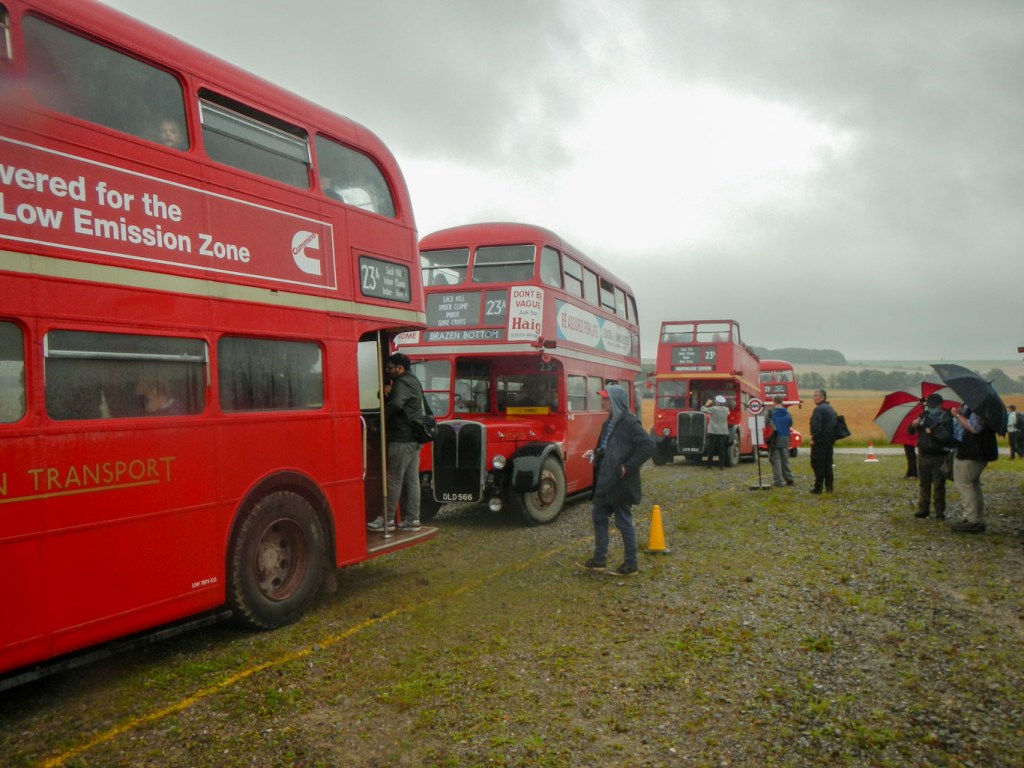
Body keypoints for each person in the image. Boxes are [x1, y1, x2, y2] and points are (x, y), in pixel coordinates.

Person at [579, 384, 655, 576]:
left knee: (623, 522)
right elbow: (606, 448)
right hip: (606, 480)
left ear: (615, 400)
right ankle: (599, 560)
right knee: (599, 517)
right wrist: (595, 453)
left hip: (621, 483)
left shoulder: (630, 422)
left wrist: (627, 467)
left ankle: (631, 565)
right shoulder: (609, 422)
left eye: (606, 398)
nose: (603, 401)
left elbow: (648, 446)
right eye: (603, 398)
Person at [368, 352, 425, 533]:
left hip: (401, 438)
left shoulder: (402, 383)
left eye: (390, 368)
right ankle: (413, 519)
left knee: (393, 479)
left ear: (400, 368)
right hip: (413, 438)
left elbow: (396, 405)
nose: (388, 370)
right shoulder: (413, 380)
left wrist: (378, 421)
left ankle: (387, 519)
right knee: (412, 481)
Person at [949, 404, 998, 533]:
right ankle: (977, 518)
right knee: (973, 485)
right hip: (979, 453)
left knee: (964, 485)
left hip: (971, 453)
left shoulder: (978, 409)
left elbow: (974, 428)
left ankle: (972, 520)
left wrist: (957, 415)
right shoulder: (986, 408)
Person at [906, 393, 954, 519]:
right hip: (923, 455)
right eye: (929, 406)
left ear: (940, 405)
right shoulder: (924, 416)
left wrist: (933, 431)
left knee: (939, 485)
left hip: (939, 456)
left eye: (933, 407)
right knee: (924, 484)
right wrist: (913, 424)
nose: (931, 409)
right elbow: (910, 431)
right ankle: (923, 509)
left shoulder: (947, 417)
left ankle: (939, 511)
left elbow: (948, 437)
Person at [809, 389, 837, 493]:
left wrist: (814, 439)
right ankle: (829, 487)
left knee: (817, 464)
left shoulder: (818, 410)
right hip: (829, 441)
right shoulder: (830, 408)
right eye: (814, 395)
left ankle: (818, 488)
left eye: (816, 395)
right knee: (828, 464)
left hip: (820, 442)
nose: (814, 397)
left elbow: (816, 427)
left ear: (822, 397)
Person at [765, 395, 795, 487]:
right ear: (782, 402)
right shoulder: (787, 413)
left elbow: (765, 424)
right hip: (785, 438)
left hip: (774, 438)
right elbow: (790, 423)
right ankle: (789, 479)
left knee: (776, 460)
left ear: (773, 401)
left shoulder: (770, 412)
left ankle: (778, 481)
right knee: (785, 460)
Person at [701, 395, 731, 469]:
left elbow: (702, 409)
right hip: (723, 432)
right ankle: (721, 465)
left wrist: (707, 404)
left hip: (713, 431)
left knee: (711, 448)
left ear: (717, 402)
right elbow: (728, 413)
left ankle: (709, 465)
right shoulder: (726, 409)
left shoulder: (714, 408)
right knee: (721, 449)